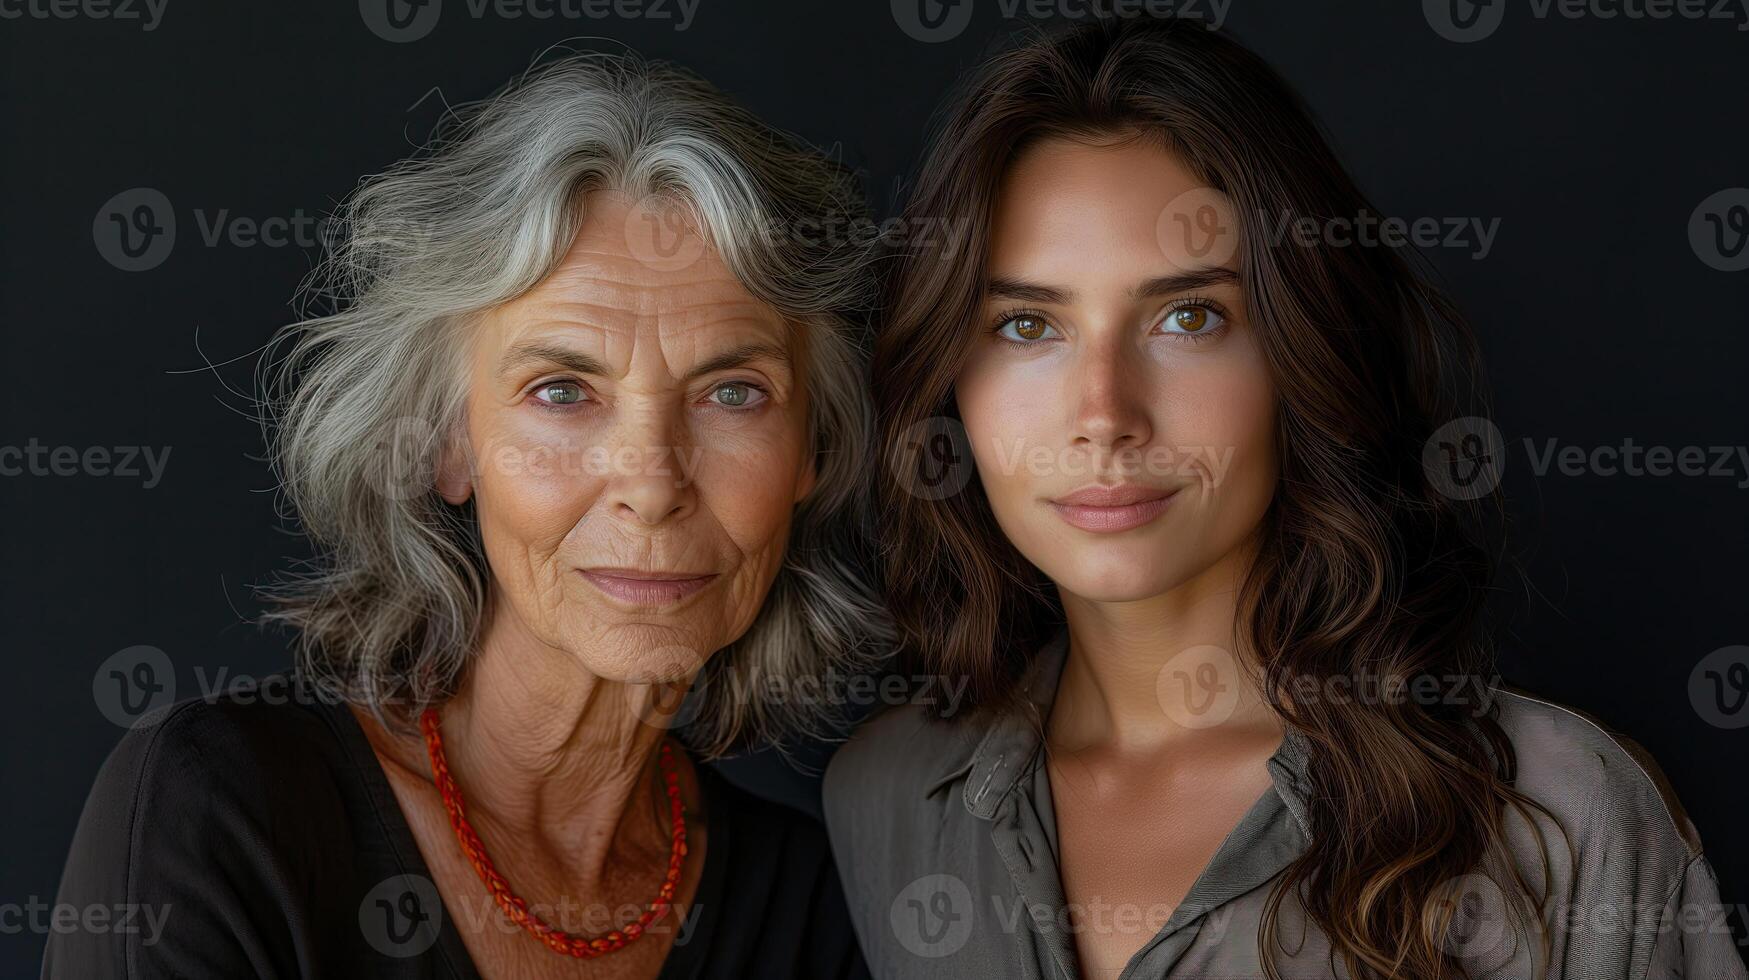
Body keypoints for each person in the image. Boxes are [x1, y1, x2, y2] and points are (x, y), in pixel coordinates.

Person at [825, 17, 1747, 980]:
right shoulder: (886, 801)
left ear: (1300, 354)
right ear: (947, 380)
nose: (1103, 414)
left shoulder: (1556, 817)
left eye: (1190, 316)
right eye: (1025, 324)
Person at [47, 51, 885, 979]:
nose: (651, 485)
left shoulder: (816, 904)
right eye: (563, 391)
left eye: (733, 392)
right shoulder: (224, 815)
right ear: (446, 443)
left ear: (813, 447)